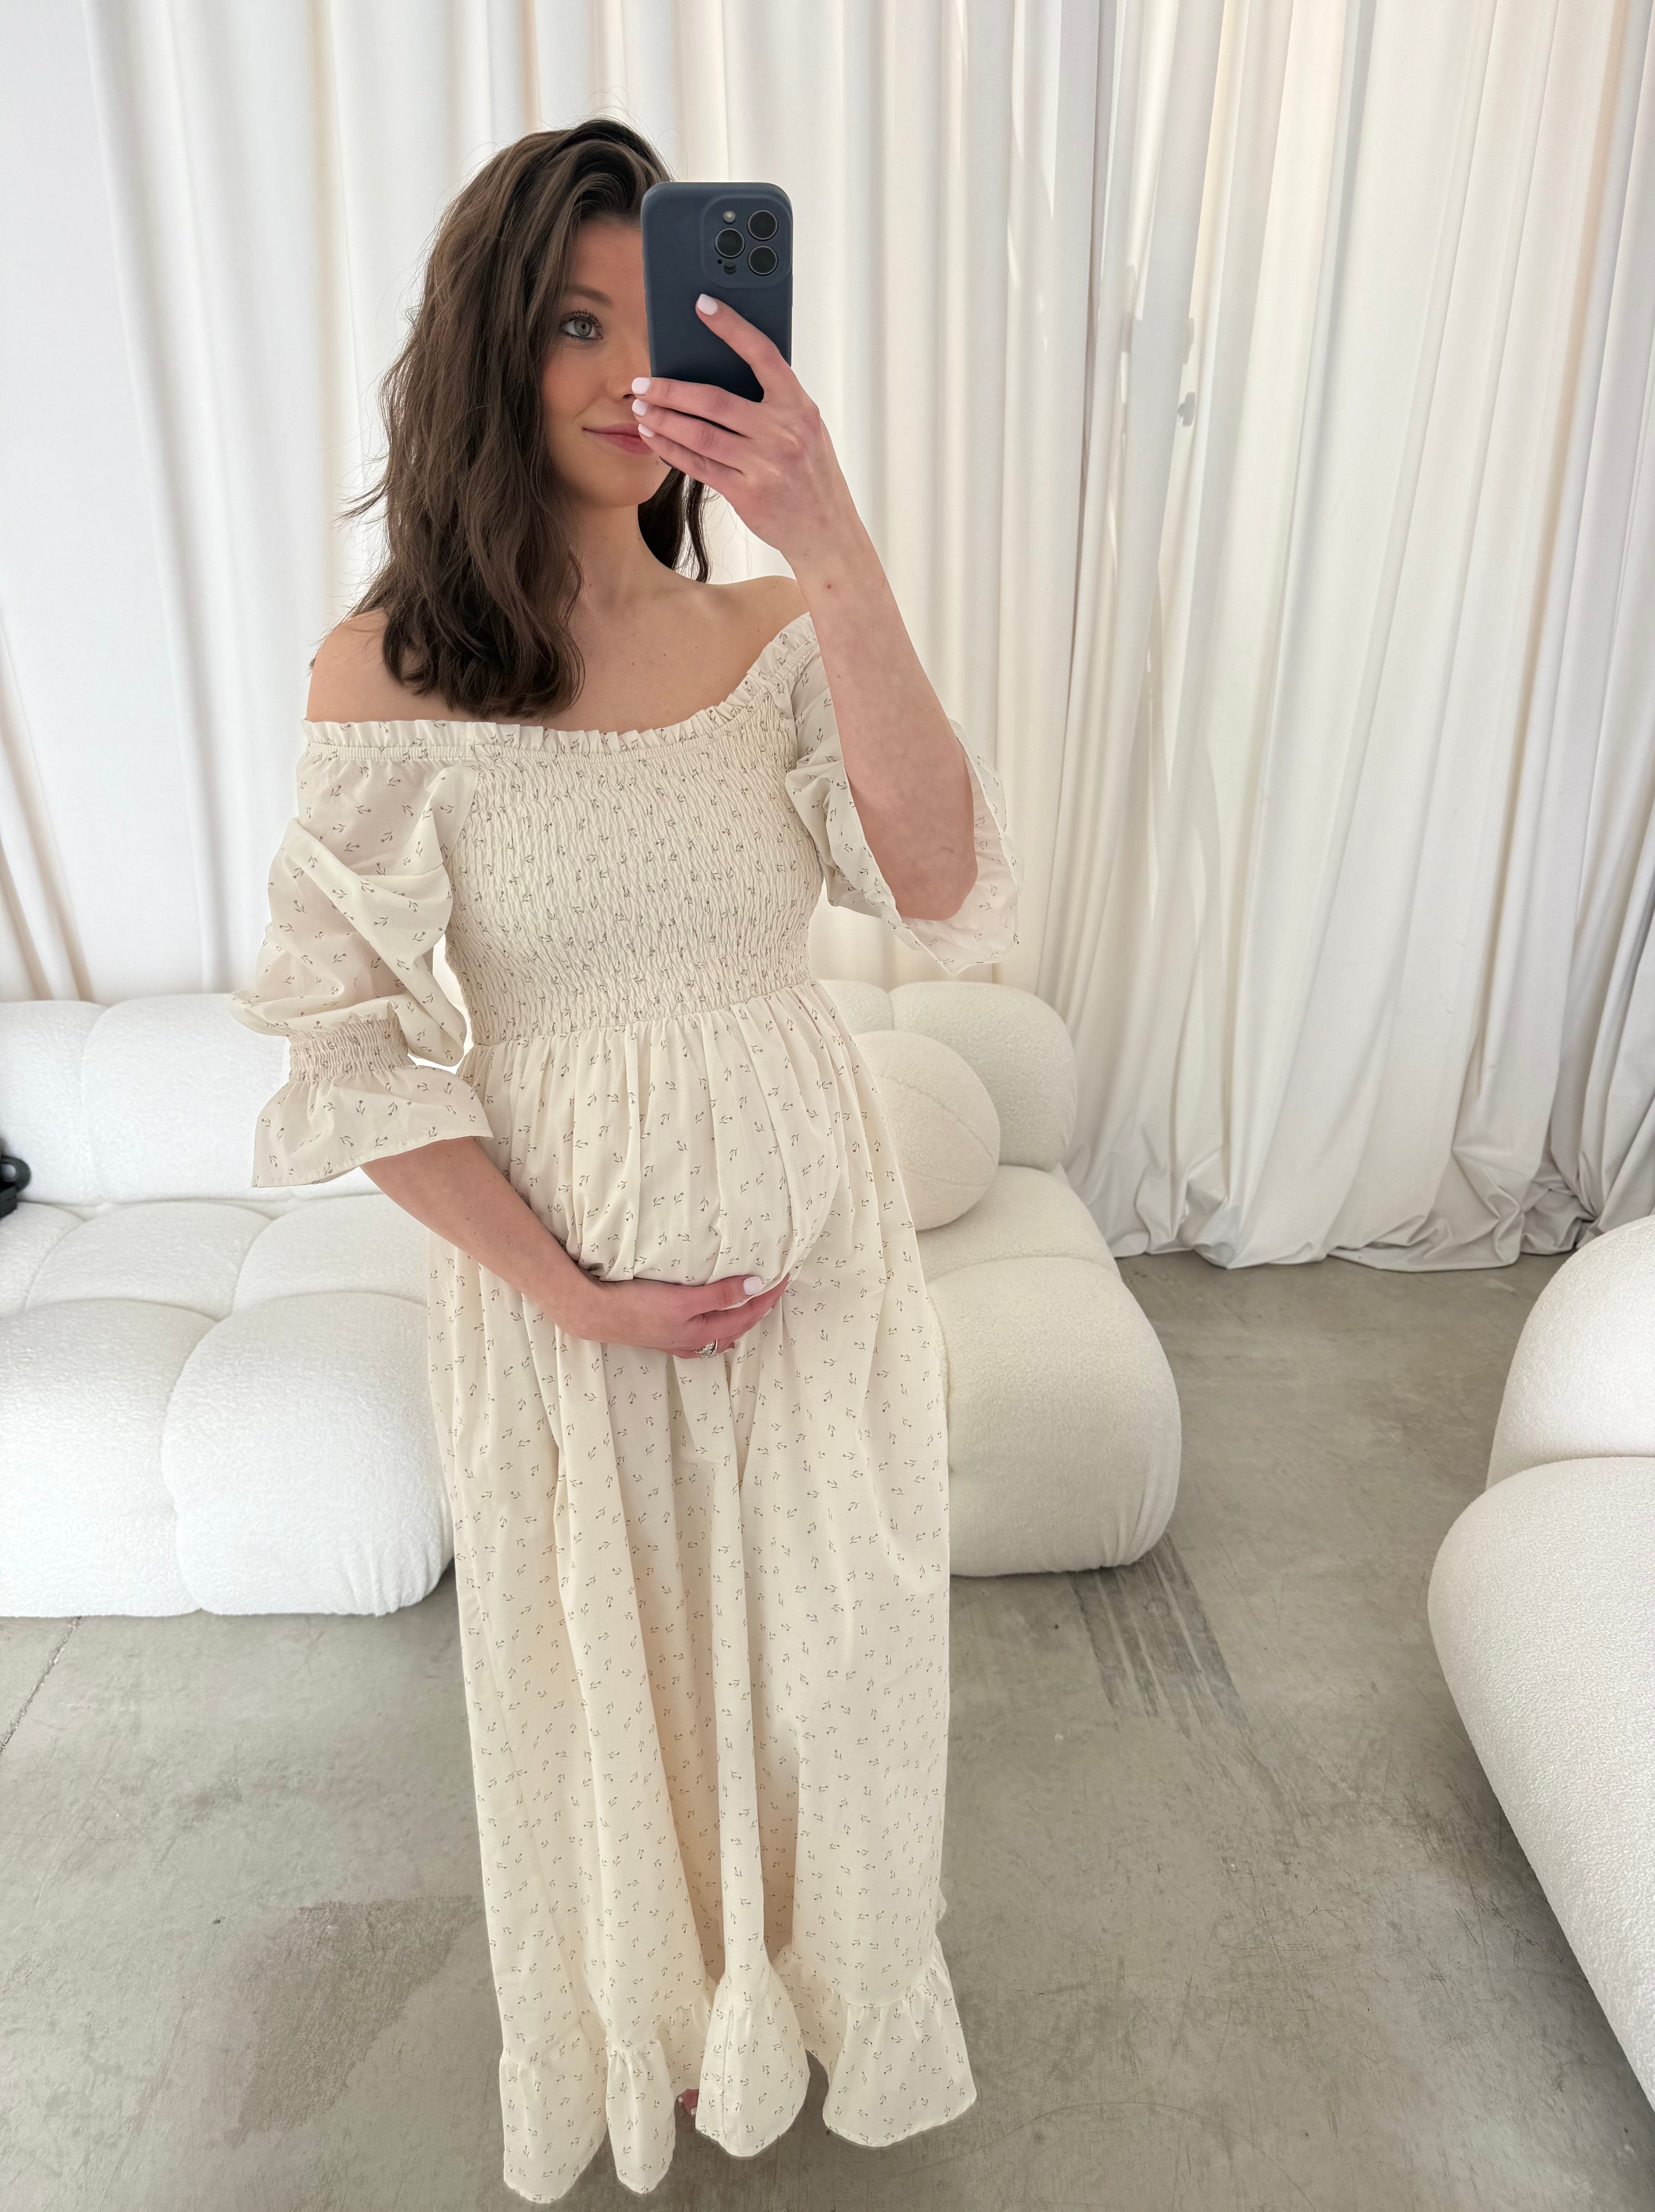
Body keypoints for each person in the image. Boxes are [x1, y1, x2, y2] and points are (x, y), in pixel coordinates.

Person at [229, 118, 1021, 2203]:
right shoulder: (389, 676)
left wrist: (833, 545)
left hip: (820, 1280)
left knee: (840, 1673)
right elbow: (344, 1040)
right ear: (487, 353)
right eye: (570, 323)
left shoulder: (769, 637)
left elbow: (939, 881)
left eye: (651, 319)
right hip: (566, 1315)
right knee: (620, 1693)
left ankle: (819, 1997)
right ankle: (664, 2027)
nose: (618, 371)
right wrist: (573, 1295)